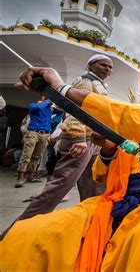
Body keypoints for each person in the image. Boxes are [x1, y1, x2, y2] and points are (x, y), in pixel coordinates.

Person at [1, 24, 140, 271]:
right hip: (114, 202)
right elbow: (100, 175)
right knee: (33, 233)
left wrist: (63, 89)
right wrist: (109, 151)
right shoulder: (128, 123)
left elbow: (133, 118)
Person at [11, 54, 113, 224]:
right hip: (80, 140)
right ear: (91, 65)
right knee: (59, 187)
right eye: (104, 65)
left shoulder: (98, 83)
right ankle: (19, 229)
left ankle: (95, 224)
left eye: (110, 67)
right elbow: (76, 110)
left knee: (94, 186)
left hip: (93, 141)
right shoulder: (85, 81)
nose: (108, 69)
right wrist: (78, 137)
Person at [15, 97, 60, 187]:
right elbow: (37, 108)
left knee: (37, 156)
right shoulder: (34, 105)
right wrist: (47, 101)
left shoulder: (50, 109)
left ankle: (31, 175)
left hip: (45, 134)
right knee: (27, 154)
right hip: (33, 132)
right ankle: (20, 176)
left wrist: (57, 104)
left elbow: (61, 112)